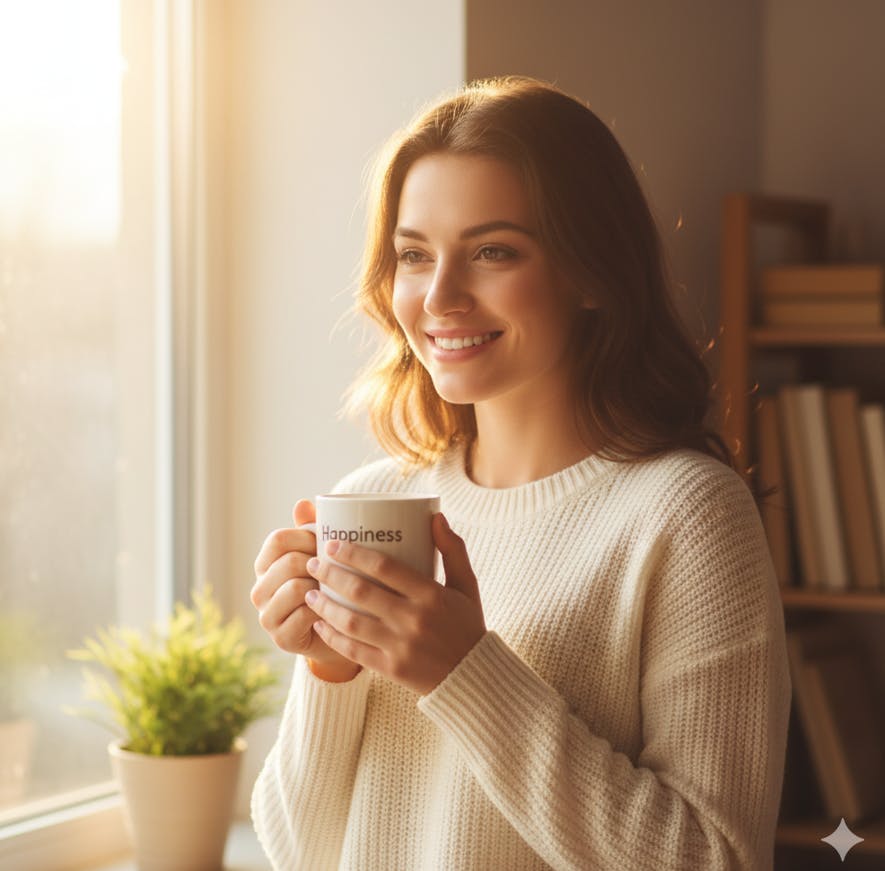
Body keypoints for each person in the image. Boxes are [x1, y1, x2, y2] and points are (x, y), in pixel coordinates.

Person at [249, 76, 791, 870]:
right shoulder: (375, 501)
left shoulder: (684, 514)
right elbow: (303, 851)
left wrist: (461, 670)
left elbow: (714, 858)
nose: (438, 296)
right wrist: (329, 671)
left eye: (491, 251)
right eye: (412, 255)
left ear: (591, 271)